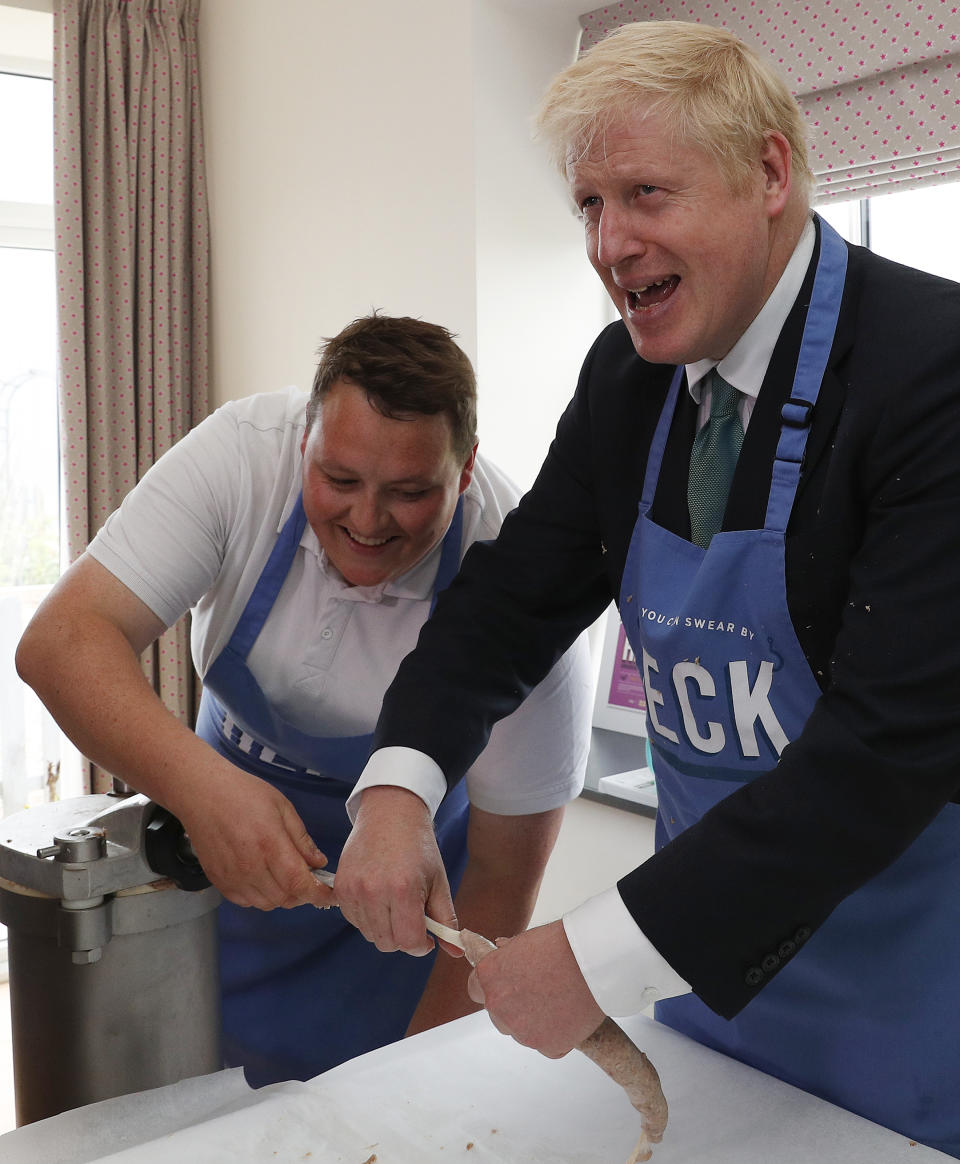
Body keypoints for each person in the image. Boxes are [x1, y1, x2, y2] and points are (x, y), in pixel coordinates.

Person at [332, 23, 960, 1159]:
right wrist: (398, 784)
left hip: (919, 1005)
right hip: (714, 994)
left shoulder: (935, 370)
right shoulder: (628, 379)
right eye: (588, 205)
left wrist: (594, 956)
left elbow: (885, 754)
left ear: (770, 174)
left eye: (646, 194)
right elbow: (509, 604)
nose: (610, 243)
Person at [15, 312, 594, 1088]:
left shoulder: (523, 578)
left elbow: (499, 879)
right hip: (213, 892)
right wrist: (205, 793)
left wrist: (413, 1097)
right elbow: (60, 642)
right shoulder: (240, 458)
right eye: (340, 479)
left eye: (409, 493)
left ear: (464, 472)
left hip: (397, 937)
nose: (364, 520)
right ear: (304, 445)